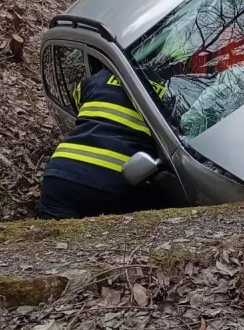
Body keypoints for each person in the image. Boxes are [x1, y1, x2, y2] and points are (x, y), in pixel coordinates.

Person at [38, 68, 171, 219]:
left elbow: (78, 101)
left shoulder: (97, 78)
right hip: (112, 180)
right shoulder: (170, 90)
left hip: (61, 173)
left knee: (55, 239)